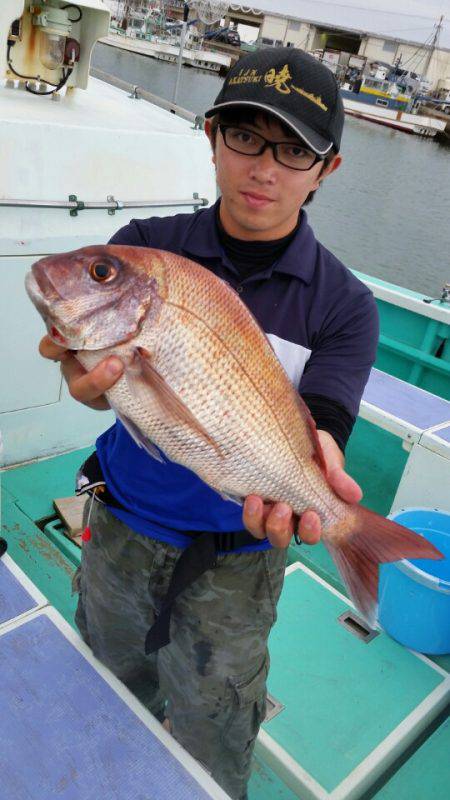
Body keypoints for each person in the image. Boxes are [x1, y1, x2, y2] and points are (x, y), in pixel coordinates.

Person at [39, 48, 378, 800]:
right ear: (212, 134)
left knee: (214, 728)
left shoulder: (345, 306)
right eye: (246, 136)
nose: (266, 167)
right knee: (104, 691)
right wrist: (92, 387)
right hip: (121, 531)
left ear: (329, 169)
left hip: (239, 559)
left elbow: (321, 418)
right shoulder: (144, 250)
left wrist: (320, 475)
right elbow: (116, 393)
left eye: (294, 149)